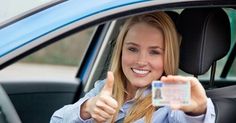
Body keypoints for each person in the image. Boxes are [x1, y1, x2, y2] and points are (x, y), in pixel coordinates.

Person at [50, 11, 215, 123]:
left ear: (168, 57)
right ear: (121, 50)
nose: (141, 61)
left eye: (154, 52)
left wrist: (198, 111)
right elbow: (56, 120)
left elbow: (184, 116)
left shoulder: (168, 94)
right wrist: (87, 109)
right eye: (132, 49)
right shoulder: (105, 89)